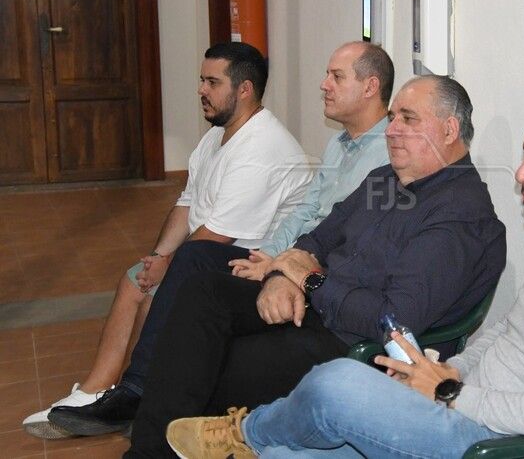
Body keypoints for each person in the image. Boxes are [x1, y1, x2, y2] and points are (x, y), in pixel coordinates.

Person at [165, 88, 524, 459]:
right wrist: (444, 371)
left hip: (499, 445)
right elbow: (507, 333)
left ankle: (245, 432)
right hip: (462, 410)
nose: (523, 172)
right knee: (284, 453)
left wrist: (452, 393)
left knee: (336, 383)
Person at [121, 75, 507, 457]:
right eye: (392, 118)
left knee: (210, 361)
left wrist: (310, 280)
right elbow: (318, 239)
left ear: (448, 130)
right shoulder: (385, 181)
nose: (391, 130)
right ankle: (151, 448)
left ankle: (164, 445)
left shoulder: (459, 215)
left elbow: (394, 320)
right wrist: (280, 277)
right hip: (315, 307)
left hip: (356, 347)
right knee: (203, 290)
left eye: (408, 119)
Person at [45, 41, 394, 437]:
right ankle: (129, 390)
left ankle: (140, 394)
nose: (323, 84)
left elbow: (345, 238)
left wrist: (280, 266)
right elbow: (304, 212)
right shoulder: (339, 144)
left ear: (370, 87)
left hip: (311, 278)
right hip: (283, 258)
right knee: (186, 262)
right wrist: (268, 255)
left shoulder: (385, 155)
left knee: (191, 269)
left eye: (336, 77)